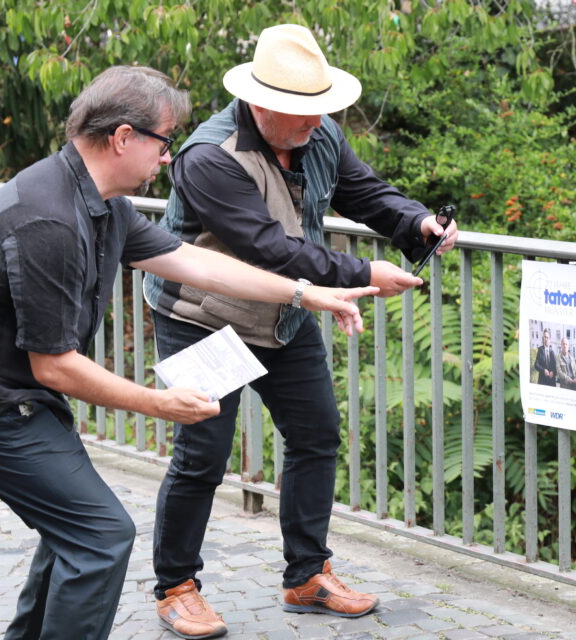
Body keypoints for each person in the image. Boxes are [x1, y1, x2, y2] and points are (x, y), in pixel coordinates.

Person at [0, 65, 376, 640]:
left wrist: (306, 293)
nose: (168, 158)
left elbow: (195, 262)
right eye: (165, 141)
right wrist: (160, 404)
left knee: (74, 533)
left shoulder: (103, 203)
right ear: (124, 137)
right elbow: (53, 365)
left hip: (21, 398)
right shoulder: (49, 220)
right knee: (100, 536)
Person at [143, 23, 459, 636]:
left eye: (323, 110)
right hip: (202, 319)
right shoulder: (210, 157)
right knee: (203, 455)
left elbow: (363, 192)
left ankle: (306, 575)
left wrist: (416, 223)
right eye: (306, 112)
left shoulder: (319, 133)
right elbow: (271, 250)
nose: (319, 122)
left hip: (285, 314)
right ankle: (176, 585)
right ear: (264, 105)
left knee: (317, 434)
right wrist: (364, 272)